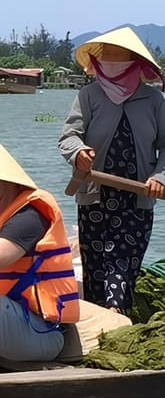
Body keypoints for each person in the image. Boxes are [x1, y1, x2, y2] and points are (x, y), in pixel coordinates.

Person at [58, 26, 165, 314]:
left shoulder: (154, 101)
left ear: (135, 64)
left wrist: (159, 177)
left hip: (138, 198)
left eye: (121, 61)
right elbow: (68, 136)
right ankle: (98, 322)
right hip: (95, 195)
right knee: (95, 267)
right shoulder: (88, 96)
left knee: (122, 262)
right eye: (108, 60)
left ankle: (116, 314)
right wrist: (79, 152)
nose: (113, 67)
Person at [0, 144, 80, 372]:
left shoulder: (29, 217)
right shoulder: (1, 219)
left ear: (9, 183)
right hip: (18, 323)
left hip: (42, 333)